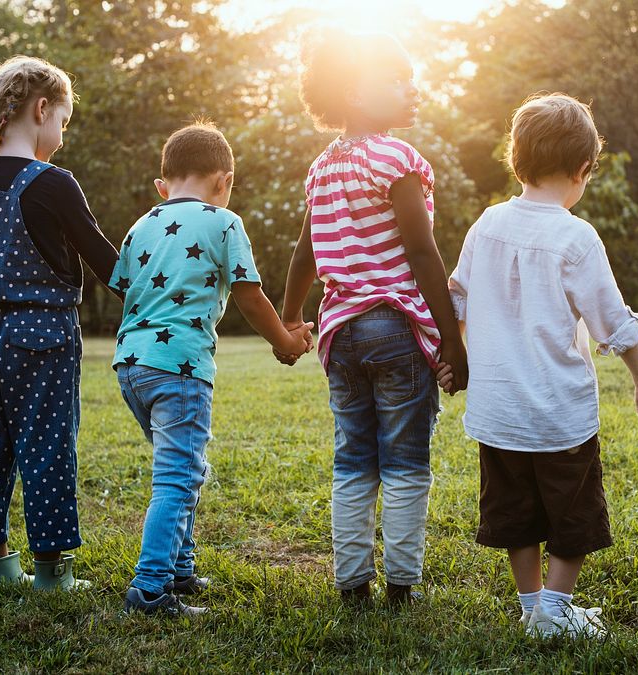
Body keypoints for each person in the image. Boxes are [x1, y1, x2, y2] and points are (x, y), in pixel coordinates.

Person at [438, 93, 638, 638]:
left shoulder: (487, 223)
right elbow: (612, 321)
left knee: (516, 510)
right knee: (572, 511)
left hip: (499, 408)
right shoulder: (574, 236)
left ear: (518, 161)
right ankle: (553, 610)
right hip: (559, 413)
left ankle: (532, 603)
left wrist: (451, 357)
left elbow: (455, 300)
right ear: (583, 170)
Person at [279, 24, 466, 606]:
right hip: (393, 326)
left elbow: (305, 251)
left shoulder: (321, 167)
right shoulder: (398, 157)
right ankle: (402, 584)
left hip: (340, 334)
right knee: (407, 459)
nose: (413, 89)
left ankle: (352, 582)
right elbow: (421, 252)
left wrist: (291, 316)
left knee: (353, 457)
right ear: (356, 94)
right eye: (397, 79)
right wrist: (454, 343)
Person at [114, 122, 312, 616]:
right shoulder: (223, 222)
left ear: (162, 187)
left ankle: (180, 568)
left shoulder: (140, 226)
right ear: (224, 181)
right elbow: (248, 294)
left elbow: (123, 286)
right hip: (180, 366)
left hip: (132, 365)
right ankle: (150, 587)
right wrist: (287, 339)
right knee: (178, 477)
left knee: (180, 466)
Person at [0, 55, 121, 590]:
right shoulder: (53, 183)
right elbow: (108, 264)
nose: (62, 134)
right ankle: (53, 574)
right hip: (44, 336)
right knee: (47, 446)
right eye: (64, 122)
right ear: (42, 107)